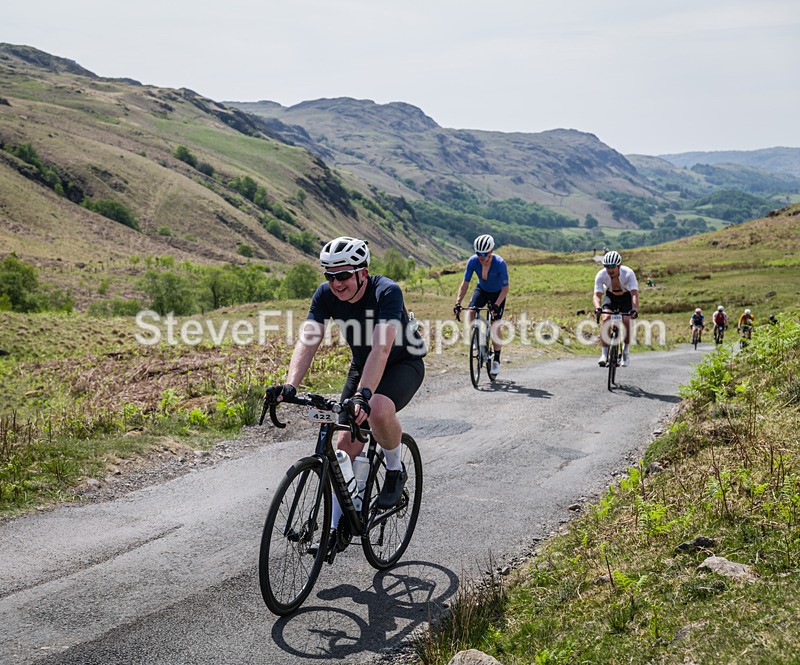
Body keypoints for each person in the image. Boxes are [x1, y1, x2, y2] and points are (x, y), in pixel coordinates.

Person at [265, 236, 426, 554]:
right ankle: (339, 528)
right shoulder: (325, 295)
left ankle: (394, 471)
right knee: (343, 447)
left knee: (377, 409)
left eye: (342, 275)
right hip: (362, 366)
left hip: (401, 364)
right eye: (329, 275)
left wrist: (364, 395)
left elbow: (381, 346)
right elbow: (309, 339)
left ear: (362, 273)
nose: (335, 283)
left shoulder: (387, 292)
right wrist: (290, 385)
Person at [453, 234, 510, 376]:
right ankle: (476, 337)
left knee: (495, 324)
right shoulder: (473, 261)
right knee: (470, 312)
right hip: (482, 290)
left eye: (484, 254)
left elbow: (505, 289)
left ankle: (496, 360)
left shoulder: (500, 263)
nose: (481, 257)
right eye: (478, 253)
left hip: (498, 293)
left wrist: (496, 305)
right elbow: (465, 283)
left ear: (491, 251)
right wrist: (458, 302)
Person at [593, 250, 639, 367]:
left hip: (626, 297)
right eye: (607, 267)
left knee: (627, 320)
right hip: (611, 297)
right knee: (606, 318)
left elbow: (634, 294)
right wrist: (598, 308)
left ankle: (625, 351)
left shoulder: (628, 273)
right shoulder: (601, 275)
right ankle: (604, 353)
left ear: (619, 265)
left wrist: (634, 309)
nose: (610, 270)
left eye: (613, 267)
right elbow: (597, 295)